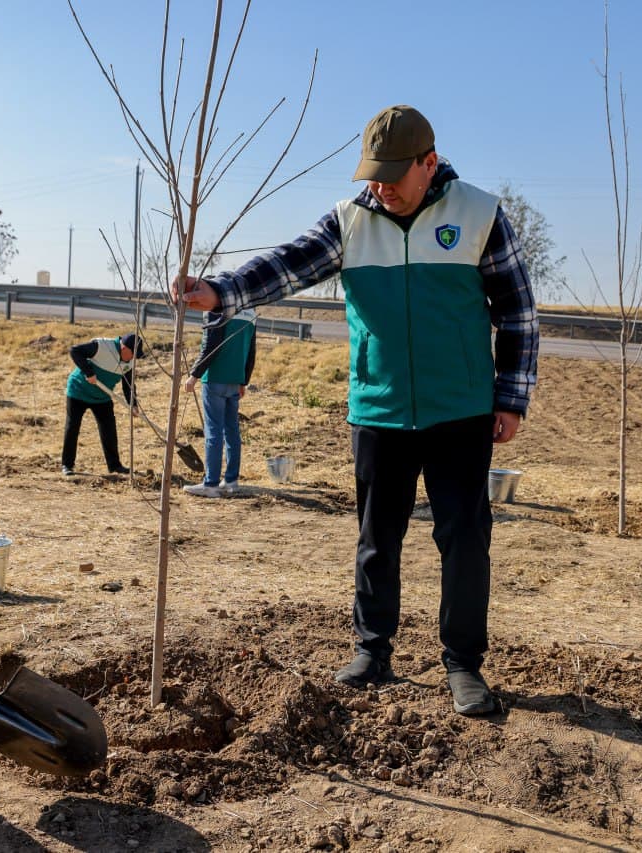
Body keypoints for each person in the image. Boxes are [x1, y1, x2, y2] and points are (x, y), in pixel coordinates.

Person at [172, 105, 539, 716]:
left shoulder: (479, 215)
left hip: (461, 411)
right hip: (379, 410)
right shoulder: (350, 222)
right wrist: (223, 290)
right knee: (376, 538)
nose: (381, 186)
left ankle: (462, 664)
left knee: (465, 539)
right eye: (373, 174)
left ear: (430, 163)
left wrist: (510, 398)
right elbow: (288, 262)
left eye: (394, 174)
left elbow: (518, 312)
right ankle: (373, 650)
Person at [183, 308, 257, 497]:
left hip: (214, 378)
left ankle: (211, 484)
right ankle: (231, 481)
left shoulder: (216, 309)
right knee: (231, 430)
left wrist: (194, 375)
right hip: (235, 379)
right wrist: (243, 380)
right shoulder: (250, 312)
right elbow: (251, 350)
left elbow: (210, 346)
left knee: (213, 431)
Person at [61, 332, 143, 476]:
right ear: (124, 348)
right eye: (132, 354)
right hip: (78, 391)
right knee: (72, 426)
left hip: (102, 397)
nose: (133, 358)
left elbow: (128, 384)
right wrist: (89, 372)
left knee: (109, 430)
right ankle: (67, 465)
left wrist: (133, 404)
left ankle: (115, 466)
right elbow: (75, 351)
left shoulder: (130, 362)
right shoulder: (102, 346)